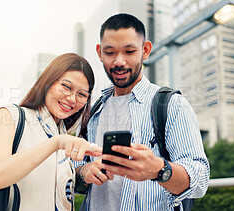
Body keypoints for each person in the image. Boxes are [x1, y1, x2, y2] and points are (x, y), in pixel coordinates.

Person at [74, 13, 210, 211]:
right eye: (110, 52)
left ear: (145, 50)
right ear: (99, 52)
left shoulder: (171, 104)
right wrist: (84, 171)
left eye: (129, 51)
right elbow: (73, 170)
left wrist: (159, 170)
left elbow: (201, 179)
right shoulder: (94, 109)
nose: (119, 61)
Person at [0, 53, 102, 211]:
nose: (73, 98)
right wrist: (55, 143)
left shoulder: (63, 134)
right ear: (48, 82)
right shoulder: (11, 115)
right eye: (66, 87)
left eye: (82, 94)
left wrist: (85, 174)